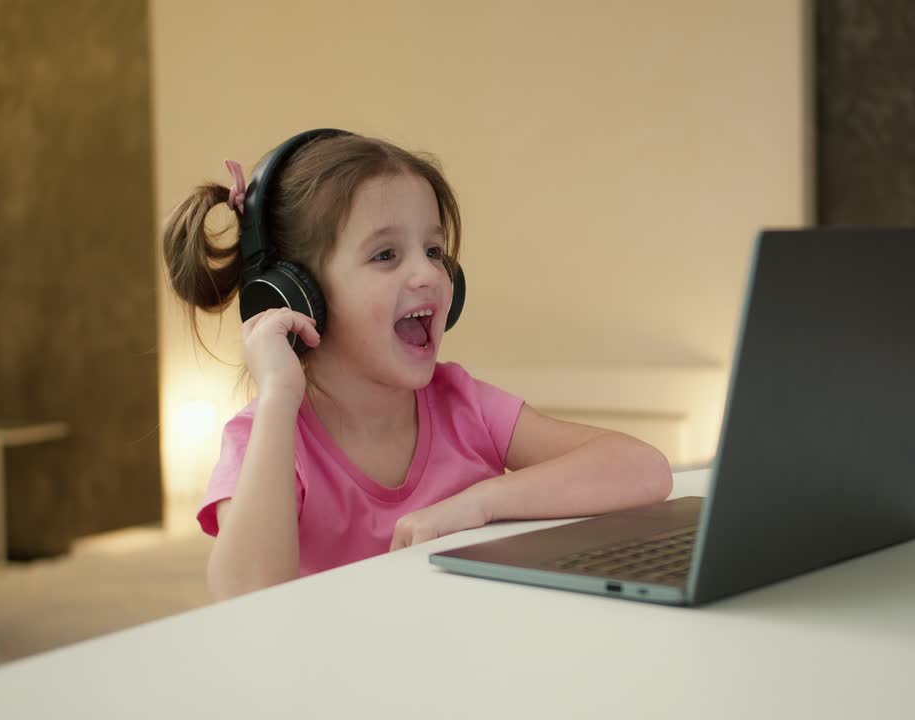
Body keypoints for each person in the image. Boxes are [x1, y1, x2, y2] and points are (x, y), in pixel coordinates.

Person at [162, 130, 671, 600]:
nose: (428, 272)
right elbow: (245, 594)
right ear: (299, 296)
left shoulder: (462, 404)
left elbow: (643, 469)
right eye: (385, 254)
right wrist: (276, 397)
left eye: (433, 250)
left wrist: (482, 501)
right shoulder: (265, 440)